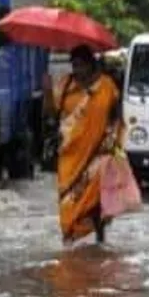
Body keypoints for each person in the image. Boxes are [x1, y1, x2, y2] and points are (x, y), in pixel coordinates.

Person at [47, 44, 121, 245]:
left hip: (98, 152)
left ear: (91, 65)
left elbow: (117, 114)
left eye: (81, 65)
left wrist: (113, 139)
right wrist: (46, 89)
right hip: (70, 156)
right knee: (68, 199)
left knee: (96, 200)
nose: (77, 69)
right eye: (74, 65)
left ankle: (100, 239)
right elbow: (53, 113)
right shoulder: (65, 87)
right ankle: (69, 235)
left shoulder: (106, 86)